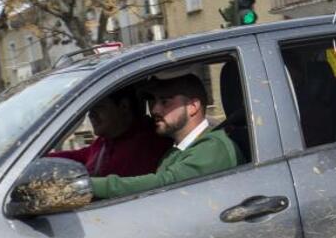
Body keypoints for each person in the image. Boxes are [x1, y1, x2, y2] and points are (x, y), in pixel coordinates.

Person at [89, 74, 243, 199]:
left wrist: (87, 186)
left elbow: (164, 184)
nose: (155, 109)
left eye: (165, 102)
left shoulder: (213, 148)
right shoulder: (175, 152)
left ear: (193, 107)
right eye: (153, 101)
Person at [49, 87, 171, 177]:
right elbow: (82, 155)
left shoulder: (143, 145)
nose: (91, 115)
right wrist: (40, 157)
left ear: (123, 106)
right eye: (90, 109)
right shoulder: (106, 140)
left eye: (98, 107)